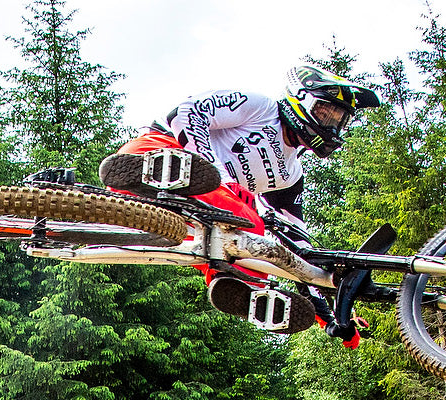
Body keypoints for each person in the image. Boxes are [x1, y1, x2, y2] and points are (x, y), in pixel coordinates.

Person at [98, 66, 380, 339]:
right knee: (246, 220)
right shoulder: (262, 108)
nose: (331, 124)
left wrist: (331, 317)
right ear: (302, 99)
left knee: (255, 247)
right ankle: (143, 176)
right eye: (325, 112)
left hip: (189, 213)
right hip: (158, 151)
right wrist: (218, 173)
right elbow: (184, 113)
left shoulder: (291, 175)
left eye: (338, 119)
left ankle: (238, 284)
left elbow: (299, 249)